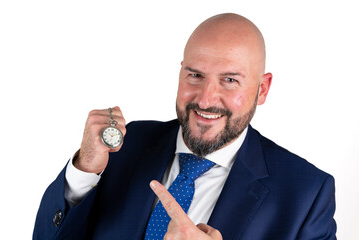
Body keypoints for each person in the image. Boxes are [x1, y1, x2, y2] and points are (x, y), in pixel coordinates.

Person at [33, 13, 336, 239]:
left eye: (230, 80)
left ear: (262, 89)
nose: (205, 99)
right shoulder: (127, 145)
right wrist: (84, 169)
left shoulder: (306, 194)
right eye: (195, 75)